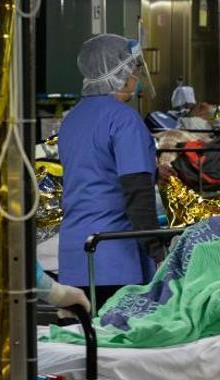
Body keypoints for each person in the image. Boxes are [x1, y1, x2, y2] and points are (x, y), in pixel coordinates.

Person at [58, 34, 165, 313]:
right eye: (132, 68)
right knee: (116, 346)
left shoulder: (73, 119)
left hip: (73, 260)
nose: (135, 76)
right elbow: (137, 193)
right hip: (113, 259)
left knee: (78, 348)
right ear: (119, 73)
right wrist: (158, 251)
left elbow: (92, 175)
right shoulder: (123, 119)